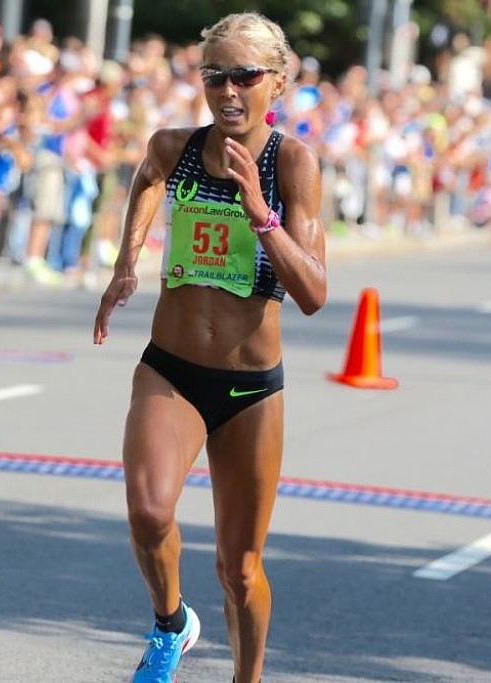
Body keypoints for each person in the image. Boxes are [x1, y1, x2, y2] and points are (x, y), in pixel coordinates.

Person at [93, 12, 326, 683]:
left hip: (251, 389)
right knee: (148, 512)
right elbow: (146, 177)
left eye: (244, 76)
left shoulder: (292, 163)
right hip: (171, 369)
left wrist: (262, 213)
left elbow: (313, 291)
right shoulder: (177, 147)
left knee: (240, 568)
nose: (227, 90)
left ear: (276, 83)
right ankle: (171, 623)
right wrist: (127, 263)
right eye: (214, 75)